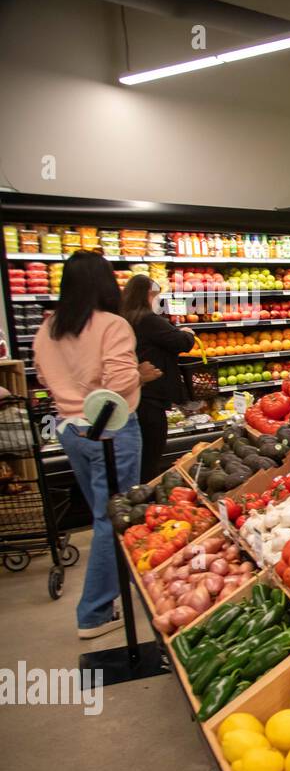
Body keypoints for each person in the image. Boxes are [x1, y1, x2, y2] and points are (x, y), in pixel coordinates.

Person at [33, 251, 160, 639]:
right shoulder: (112, 325)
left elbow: (42, 378)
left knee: (101, 515)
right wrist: (139, 376)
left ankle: (110, 598)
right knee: (113, 520)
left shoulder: (48, 328)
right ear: (106, 283)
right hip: (111, 429)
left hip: (70, 430)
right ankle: (94, 612)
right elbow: (119, 382)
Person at [120, 274, 195, 482]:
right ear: (147, 295)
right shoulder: (148, 319)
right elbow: (180, 342)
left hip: (132, 395)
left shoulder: (124, 318)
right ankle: (146, 493)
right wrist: (187, 333)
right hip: (151, 393)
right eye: (156, 295)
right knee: (151, 453)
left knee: (139, 453)